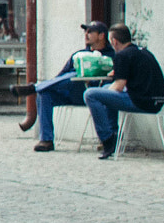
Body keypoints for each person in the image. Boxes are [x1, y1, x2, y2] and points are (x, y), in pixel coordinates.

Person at [12, 21, 114, 151]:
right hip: (75, 93)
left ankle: (35, 87)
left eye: (90, 32)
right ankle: (46, 140)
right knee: (45, 94)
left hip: (97, 95)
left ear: (101, 36)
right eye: (85, 32)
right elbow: (60, 77)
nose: (86, 34)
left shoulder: (111, 56)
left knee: (76, 75)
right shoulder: (79, 55)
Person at [84, 25, 164, 158]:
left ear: (114, 42)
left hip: (141, 102)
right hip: (158, 101)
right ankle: (113, 132)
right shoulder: (143, 51)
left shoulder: (122, 55)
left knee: (91, 94)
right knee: (105, 91)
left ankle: (108, 139)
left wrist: (105, 91)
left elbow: (118, 87)